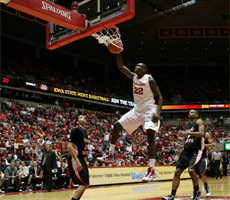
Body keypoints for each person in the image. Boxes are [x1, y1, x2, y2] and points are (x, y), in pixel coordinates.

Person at [97, 53, 163, 182]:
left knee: (150, 134)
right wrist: (118, 52)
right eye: (136, 65)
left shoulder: (149, 79)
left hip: (149, 109)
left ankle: (152, 170)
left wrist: (158, 113)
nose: (136, 66)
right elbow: (121, 67)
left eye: (139, 65)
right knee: (116, 125)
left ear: (144, 69)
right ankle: (110, 154)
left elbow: (160, 97)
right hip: (137, 109)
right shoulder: (133, 77)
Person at [162, 110, 204, 200]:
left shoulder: (199, 121)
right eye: (189, 112)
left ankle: (196, 190)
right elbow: (189, 138)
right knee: (177, 172)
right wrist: (182, 139)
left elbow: (201, 134)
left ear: (197, 115)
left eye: (192, 112)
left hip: (196, 151)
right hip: (186, 152)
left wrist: (187, 133)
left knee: (191, 170)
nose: (190, 113)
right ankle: (172, 195)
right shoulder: (187, 125)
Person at [67, 115, 90, 200]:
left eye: (83, 117)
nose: (83, 117)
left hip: (81, 158)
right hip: (75, 158)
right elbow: (69, 146)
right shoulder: (76, 130)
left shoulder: (85, 133)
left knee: (85, 183)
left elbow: (83, 149)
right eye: (80, 117)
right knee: (83, 183)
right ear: (77, 122)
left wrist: (85, 161)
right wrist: (77, 161)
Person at [190, 132, 214, 199]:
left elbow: (212, 144)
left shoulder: (205, 134)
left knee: (202, 173)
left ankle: (207, 188)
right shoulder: (193, 134)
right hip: (194, 157)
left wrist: (204, 145)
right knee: (193, 174)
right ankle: (195, 192)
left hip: (202, 157)